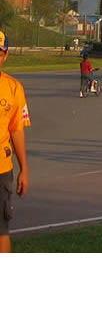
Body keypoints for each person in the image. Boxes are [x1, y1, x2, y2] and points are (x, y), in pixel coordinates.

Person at [0, 36, 30, 252]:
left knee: (1, 230)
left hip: (1, 169)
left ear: (5, 55)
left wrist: (24, 170)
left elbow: (16, 130)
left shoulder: (13, 88)